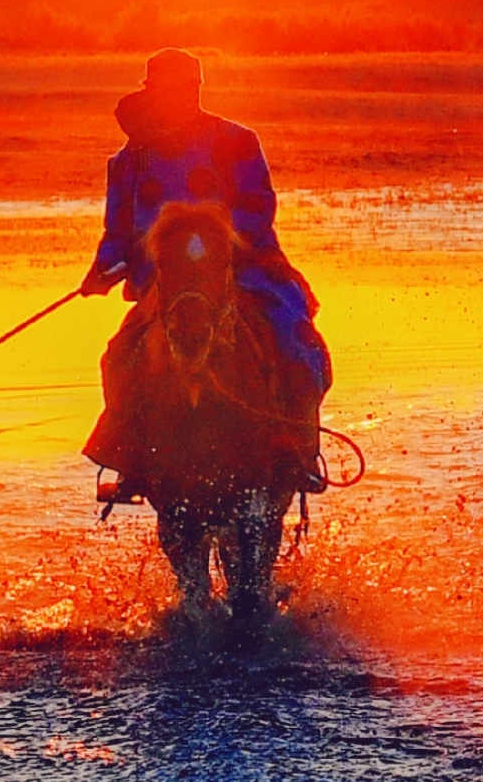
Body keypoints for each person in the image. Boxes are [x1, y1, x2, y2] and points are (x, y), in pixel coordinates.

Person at [80, 49, 333, 492]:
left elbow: (258, 208)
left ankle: (297, 448)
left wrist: (223, 247)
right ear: (153, 93)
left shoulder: (237, 141)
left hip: (246, 270)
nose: (185, 97)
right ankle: (130, 459)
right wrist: (103, 269)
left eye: (191, 88)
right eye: (174, 90)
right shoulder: (128, 161)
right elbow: (117, 229)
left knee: (297, 341)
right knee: (119, 357)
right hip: (165, 283)